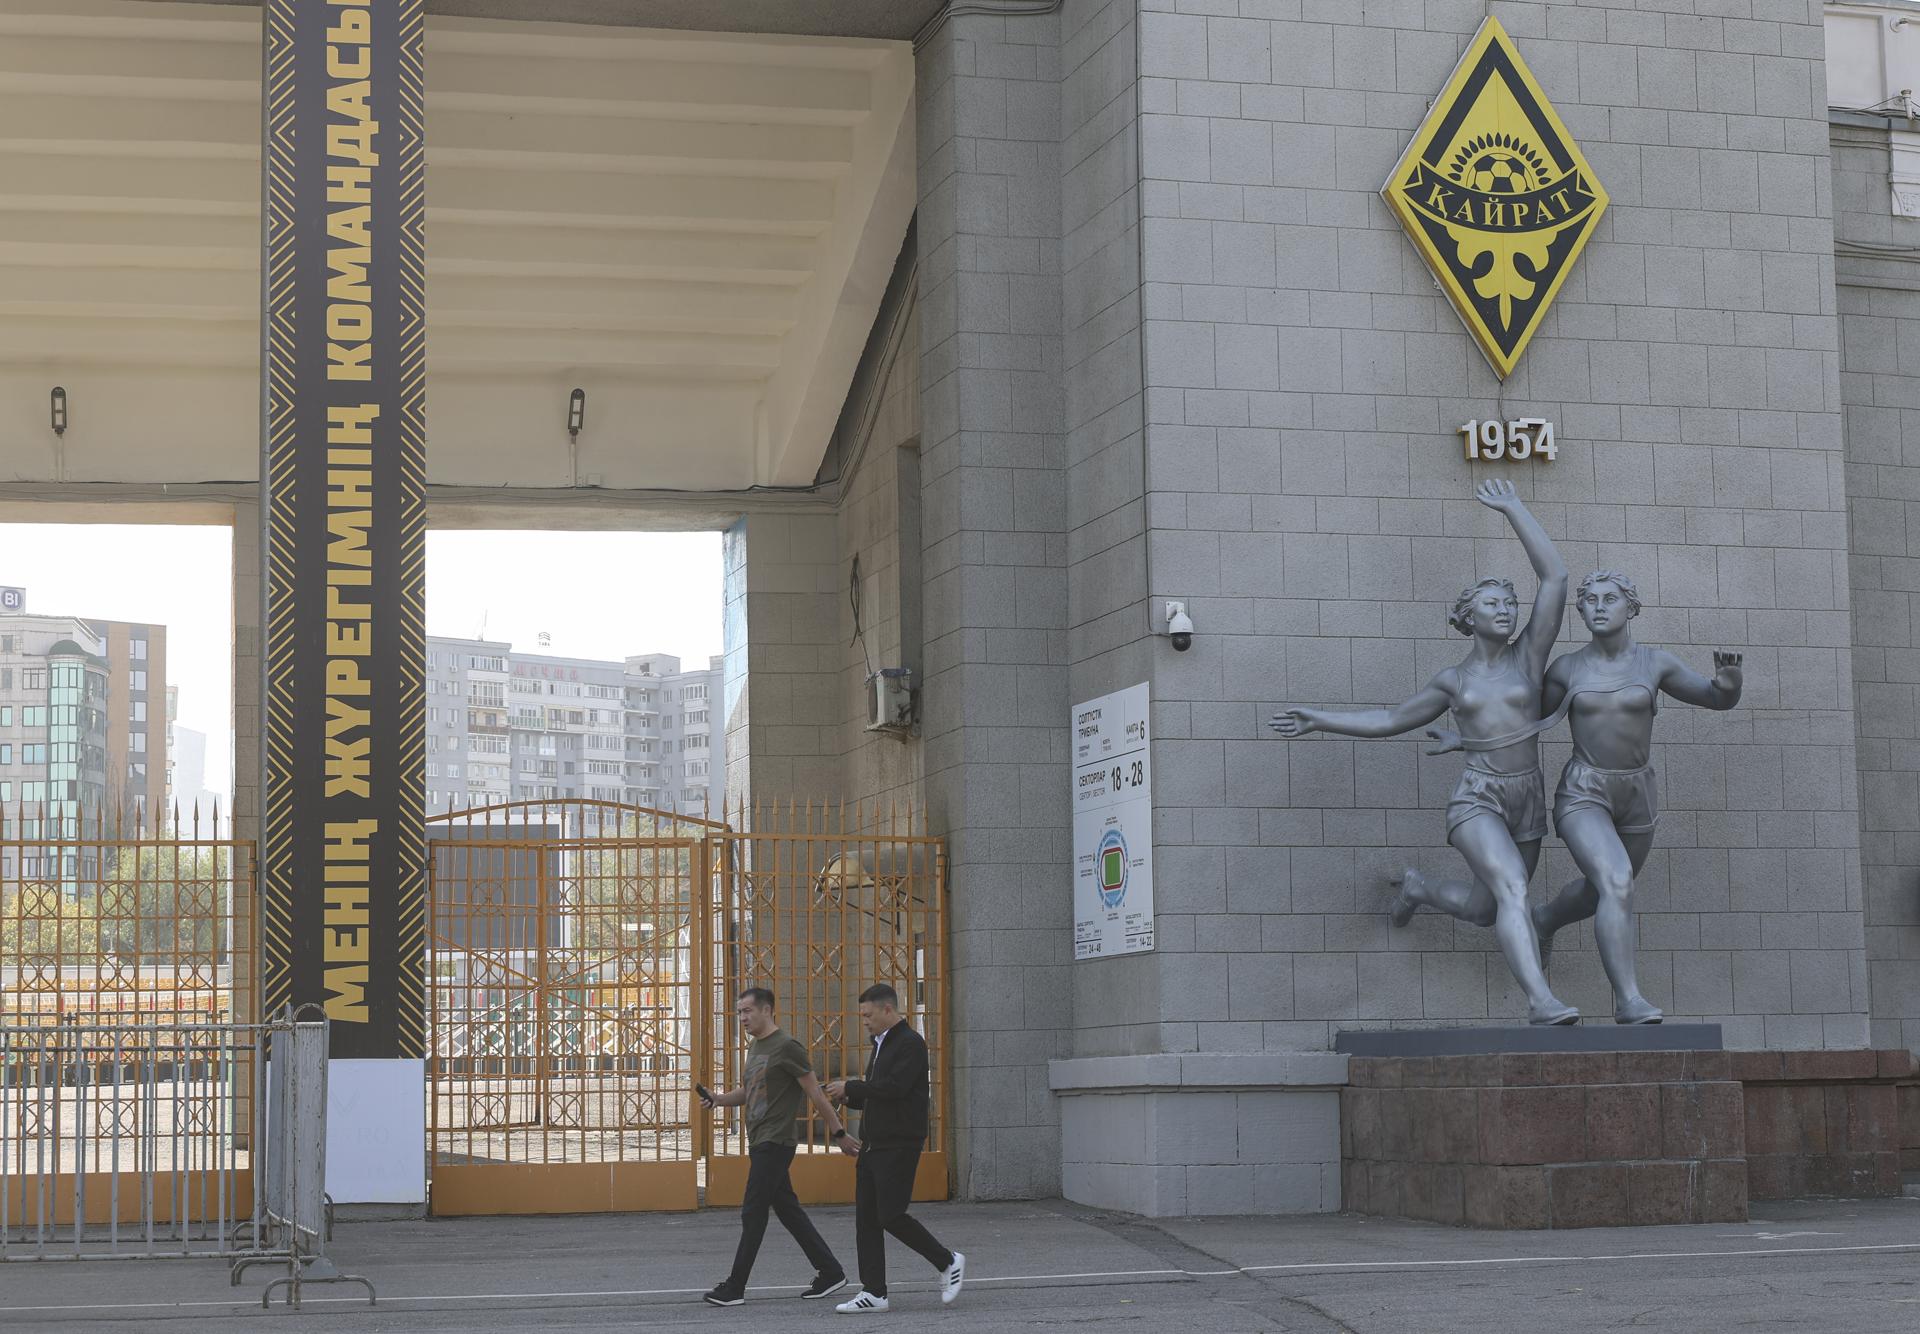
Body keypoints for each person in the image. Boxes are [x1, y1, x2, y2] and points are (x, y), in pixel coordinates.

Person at [1270, 478, 1578, 1024]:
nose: (1505, 609)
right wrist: (1320, 718)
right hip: (1478, 800)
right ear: (1470, 615)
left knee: (1487, 909)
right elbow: (1390, 718)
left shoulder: (1528, 657)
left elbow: (1555, 577)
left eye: (1509, 601)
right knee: (1512, 888)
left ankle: (1420, 889)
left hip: (1526, 800)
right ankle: (1542, 1002)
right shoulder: (1453, 681)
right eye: (1492, 602)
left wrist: (1514, 509)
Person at [1525, 571, 1744, 1023]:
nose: (1600, 606)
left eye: (1611, 598)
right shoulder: (1566, 669)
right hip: (1584, 791)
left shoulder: (1654, 663)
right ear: (1581, 611)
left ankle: (1544, 920)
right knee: (1617, 881)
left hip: (1637, 793)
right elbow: (1522, 720)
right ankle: (1629, 1001)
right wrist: (1469, 739)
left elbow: (1716, 699)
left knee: (1601, 892)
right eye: (1590, 600)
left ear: (1631, 607)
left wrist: (1729, 683)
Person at [698, 986, 857, 1308]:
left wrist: (839, 1134)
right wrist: (719, 1099)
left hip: (776, 1142)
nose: (742, 1017)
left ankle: (735, 1286)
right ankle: (830, 1272)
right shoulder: (756, 1047)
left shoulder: (787, 1047)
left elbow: (815, 1093)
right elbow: (751, 1090)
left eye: (747, 1011)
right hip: (759, 1140)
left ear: (767, 1010)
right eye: (739, 1011)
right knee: (788, 1211)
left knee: (753, 1212)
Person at [822, 983, 964, 1313]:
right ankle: (874, 1293)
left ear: (888, 1010)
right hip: (874, 1143)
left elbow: (896, 1088)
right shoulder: (881, 1043)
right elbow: (877, 1093)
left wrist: (855, 1086)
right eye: (862, 1016)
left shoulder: (911, 1043)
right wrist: (850, 1097)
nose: (865, 1021)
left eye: (868, 1015)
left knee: (891, 1215)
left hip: (900, 1143)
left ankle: (948, 1261)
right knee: (867, 1220)